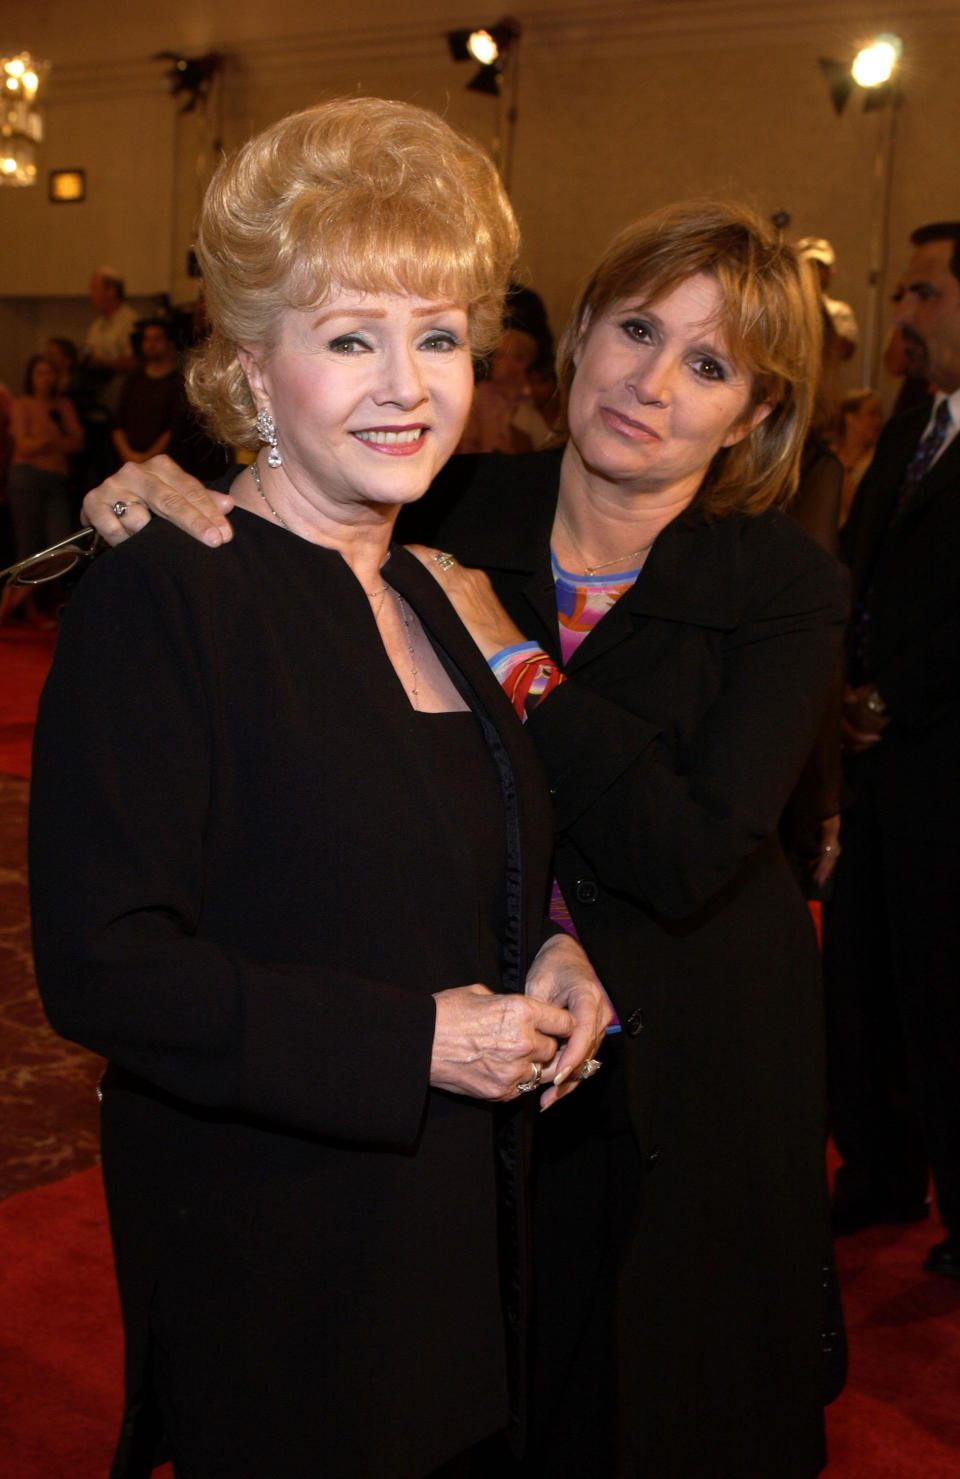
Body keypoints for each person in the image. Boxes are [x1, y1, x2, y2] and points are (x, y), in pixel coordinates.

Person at [83, 199, 848, 1477]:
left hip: (693, 1062)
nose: (653, 385)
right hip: (469, 1049)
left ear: (754, 417)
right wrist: (153, 494)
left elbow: (690, 848)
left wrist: (514, 660)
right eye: (638, 330)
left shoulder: (781, 583)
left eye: (709, 368)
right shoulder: (448, 497)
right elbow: (288, 510)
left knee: (661, 1406)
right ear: (579, 334)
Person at [30, 98, 611, 1479]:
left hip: (461, 1237)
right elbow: (103, 967)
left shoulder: (424, 581)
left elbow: (470, 850)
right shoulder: (172, 591)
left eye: (439, 338)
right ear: (252, 367)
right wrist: (414, 1038)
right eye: (350, 337)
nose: (404, 384)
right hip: (284, 1252)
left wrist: (555, 939)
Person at [823, 222, 960, 1283]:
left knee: (944, 994)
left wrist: (894, 694)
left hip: (943, 763)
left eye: (922, 294)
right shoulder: (917, 424)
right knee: (866, 981)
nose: (902, 317)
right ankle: (878, 1172)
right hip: (876, 767)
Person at [2, 354, 84, 624]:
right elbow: (24, 446)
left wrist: (44, 443)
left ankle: (12, 602)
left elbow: (78, 443)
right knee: (28, 544)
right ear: (31, 376)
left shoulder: (63, 405)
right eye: (39, 373)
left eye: (49, 372)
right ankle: (23, 608)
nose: (45, 378)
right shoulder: (23, 404)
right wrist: (56, 442)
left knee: (59, 545)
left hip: (56, 479)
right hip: (26, 478)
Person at [111, 319, 186, 466]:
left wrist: (148, 457)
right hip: (129, 460)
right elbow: (118, 422)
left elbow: (174, 428)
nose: (151, 344)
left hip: (165, 462)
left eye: (157, 339)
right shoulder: (133, 379)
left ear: (169, 343)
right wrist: (128, 455)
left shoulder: (178, 382)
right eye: (147, 339)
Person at [831, 387, 885, 524]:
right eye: (872, 414)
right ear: (850, 418)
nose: (878, 421)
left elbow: (865, 511)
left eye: (880, 415)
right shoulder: (826, 456)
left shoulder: (879, 462)